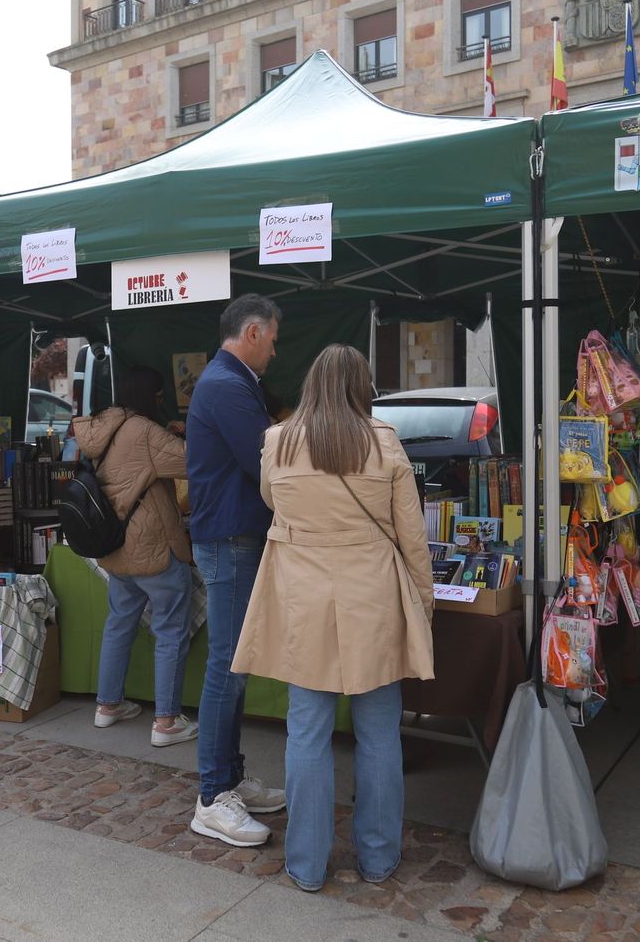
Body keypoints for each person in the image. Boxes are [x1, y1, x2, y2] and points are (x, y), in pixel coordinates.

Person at [233, 344, 434, 891]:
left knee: (307, 731)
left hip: (304, 597)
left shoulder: (277, 442)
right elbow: (412, 536)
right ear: (363, 387)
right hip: (373, 593)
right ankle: (377, 857)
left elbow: (273, 503)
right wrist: (424, 602)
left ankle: (307, 862)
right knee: (378, 734)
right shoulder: (385, 443)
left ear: (311, 384)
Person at [185, 293, 286, 847]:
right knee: (227, 665)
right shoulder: (227, 385)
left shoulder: (231, 381)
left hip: (233, 537)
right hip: (229, 540)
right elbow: (266, 462)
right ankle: (211, 798)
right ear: (251, 332)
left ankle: (229, 777)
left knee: (236, 662)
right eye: (271, 338)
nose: (275, 348)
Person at [70, 366, 197, 748]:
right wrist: (182, 433)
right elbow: (192, 462)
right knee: (171, 630)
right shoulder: (143, 430)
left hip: (115, 547)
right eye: (159, 397)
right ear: (149, 396)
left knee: (118, 623)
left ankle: (107, 706)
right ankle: (167, 722)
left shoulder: (100, 427)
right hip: (153, 550)